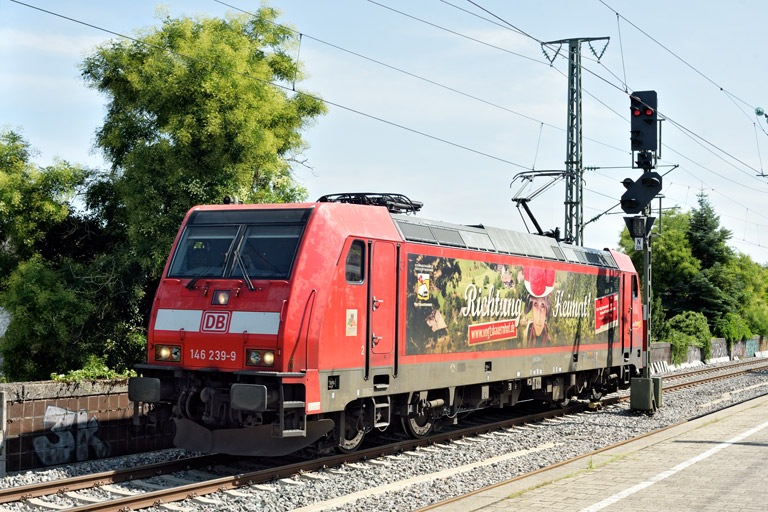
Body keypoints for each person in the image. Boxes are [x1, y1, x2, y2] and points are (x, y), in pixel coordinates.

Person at [523, 266, 556, 347]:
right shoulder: (525, 333)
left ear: (546, 312)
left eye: (542, 305)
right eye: (535, 304)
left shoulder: (551, 338)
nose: (539, 316)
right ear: (532, 309)